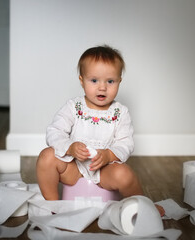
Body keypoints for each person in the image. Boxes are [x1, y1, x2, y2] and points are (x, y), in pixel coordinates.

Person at [36, 45, 164, 216]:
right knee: (46, 157)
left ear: (119, 81)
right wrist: (70, 147)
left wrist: (109, 155)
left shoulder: (120, 112)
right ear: (82, 81)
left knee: (125, 174)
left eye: (110, 81)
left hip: (104, 170)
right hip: (74, 168)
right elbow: (54, 131)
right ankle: (53, 206)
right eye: (94, 80)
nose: (102, 87)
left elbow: (126, 143)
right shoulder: (74, 107)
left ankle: (143, 205)